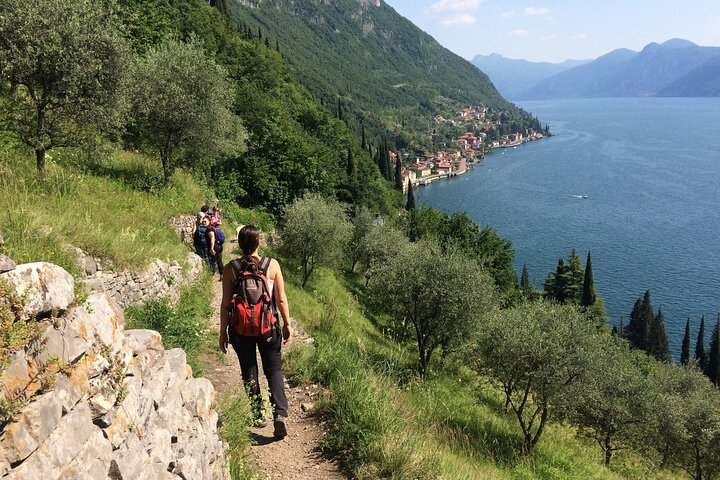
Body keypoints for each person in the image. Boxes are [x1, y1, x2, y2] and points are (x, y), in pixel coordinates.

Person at [219, 225, 292, 439]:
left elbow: (225, 304)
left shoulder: (230, 268)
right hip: (268, 327)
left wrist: (223, 332)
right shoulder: (272, 265)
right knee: (274, 370)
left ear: (240, 245)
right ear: (259, 243)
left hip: (241, 330)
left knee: (249, 370)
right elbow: (281, 299)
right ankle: (279, 414)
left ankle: (257, 412)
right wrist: (287, 324)